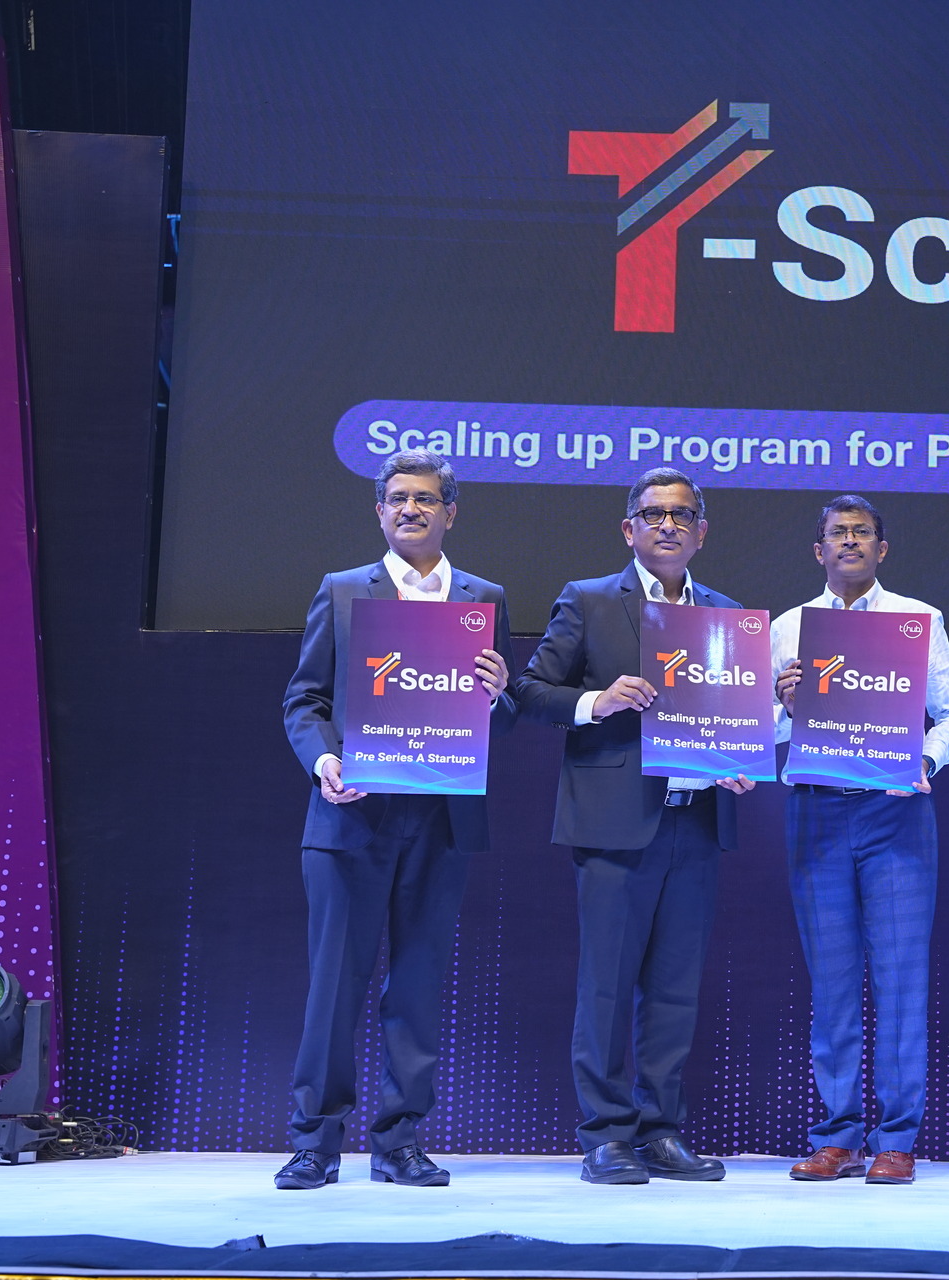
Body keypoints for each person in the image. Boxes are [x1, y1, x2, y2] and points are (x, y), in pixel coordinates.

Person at [275, 449, 516, 1190]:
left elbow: (499, 720)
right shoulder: (344, 589)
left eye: (426, 498)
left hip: (441, 820)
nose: (411, 508)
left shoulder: (484, 598)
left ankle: (400, 1143)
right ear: (380, 510)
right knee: (334, 987)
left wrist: (498, 693)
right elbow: (305, 700)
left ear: (451, 512)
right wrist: (326, 761)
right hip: (351, 817)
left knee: (417, 988)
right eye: (398, 498)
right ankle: (315, 1143)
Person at [518, 466, 755, 1185]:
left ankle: (660, 1132)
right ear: (629, 530)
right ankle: (606, 1135)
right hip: (615, 823)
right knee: (607, 987)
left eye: (682, 515)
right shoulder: (589, 600)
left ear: (702, 532)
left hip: (697, 821)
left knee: (676, 990)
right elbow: (529, 690)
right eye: (654, 514)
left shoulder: (728, 616)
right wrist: (597, 701)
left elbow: (735, 717)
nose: (668, 526)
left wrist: (739, 758)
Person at [769, 495, 949, 1186]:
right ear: (818, 550)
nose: (850, 541)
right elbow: (761, 730)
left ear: (881, 550)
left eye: (862, 532)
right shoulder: (788, 628)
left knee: (900, 978)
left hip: (896, 813)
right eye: (838, 533)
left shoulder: (918, 621)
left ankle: (897, 1138)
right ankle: (837, 1136)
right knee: (831, 983)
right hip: (816, 812)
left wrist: (924, 760)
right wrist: (786, 706)